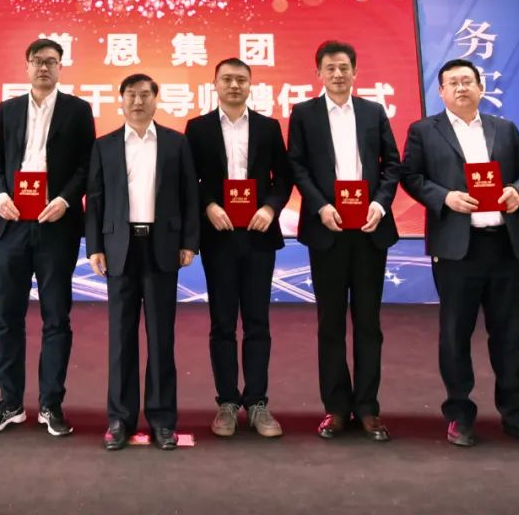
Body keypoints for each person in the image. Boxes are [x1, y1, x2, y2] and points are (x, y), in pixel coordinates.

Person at [401, 58, 519, 448]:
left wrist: (518, 192)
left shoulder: (504, 128)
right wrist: (445, 197)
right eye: (452, 82)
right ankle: (459, 416)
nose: (461, 87)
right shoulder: (424, 130)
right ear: (441, 91)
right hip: (457, 249)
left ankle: (517, 416)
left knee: (510, 335)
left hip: (503, 245)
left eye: (467, 81)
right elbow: (411, 177)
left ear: (480, 87)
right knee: (455, 335)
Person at [0, 39, 95, 437]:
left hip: (56, 224)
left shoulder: (78, 110)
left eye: (51, 61)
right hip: (12, 224)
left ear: (61, 67)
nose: (44, 67)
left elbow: (87, 165)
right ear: (27, 66)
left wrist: (65, 200)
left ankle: (51, 404)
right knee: (7, 317)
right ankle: (10, 402)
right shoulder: (9, 109)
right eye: (37, 61)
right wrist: (0, 196)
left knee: (56, 318)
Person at [288, 41, 401, 442]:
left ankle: (368, 408)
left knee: (369, 322)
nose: (337, 74)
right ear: (318, 73)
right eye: (330, 68)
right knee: (330, 323)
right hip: (328, 230)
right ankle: (336, 408)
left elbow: (392, 165)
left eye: (344, 67)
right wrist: (320, 206)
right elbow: (297, 166)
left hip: (369, 229)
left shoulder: (373, 111)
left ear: (355, 71)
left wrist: (380, 205)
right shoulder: (304, 114)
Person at [86, 73, 199, 451]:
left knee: (161, 337)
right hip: (120, 248)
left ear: (156, 99)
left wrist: (189, 242)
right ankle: (120, 419)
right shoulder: (104, 145)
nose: (138, 101)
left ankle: (163, 420)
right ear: (121, 100)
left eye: (145, 95)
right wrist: (94, 246)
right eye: (131, 95)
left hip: (162, 246)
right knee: (121, 339)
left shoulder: (175, 143)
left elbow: (189, 195)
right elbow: (95, 199)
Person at [184, 58, 292, 438]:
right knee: (223, 323)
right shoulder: (198, 128)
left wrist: (270, 208)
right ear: (214, 84)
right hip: (220, 235)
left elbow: (284, 178)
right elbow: (189, 178)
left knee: (258, 321)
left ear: (250, 85)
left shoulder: (267, 127)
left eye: (241, 80)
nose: (234, 85)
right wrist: (209, 207)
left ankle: (258, 402)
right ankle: (227, 402)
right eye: (227, 79)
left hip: (259, 235)